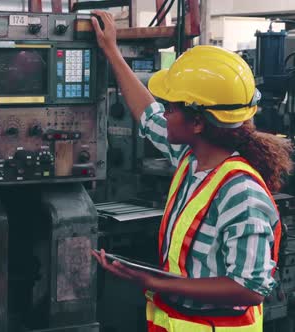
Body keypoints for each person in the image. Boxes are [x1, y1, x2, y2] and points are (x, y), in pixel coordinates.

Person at [89, 10, 293, 332]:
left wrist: (155, 281)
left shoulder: (241, 192)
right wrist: (112, 51)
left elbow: (250, 287)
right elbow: (147, 114)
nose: (165, 114)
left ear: (197, 123)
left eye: (171, 108)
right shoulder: (190, 157)